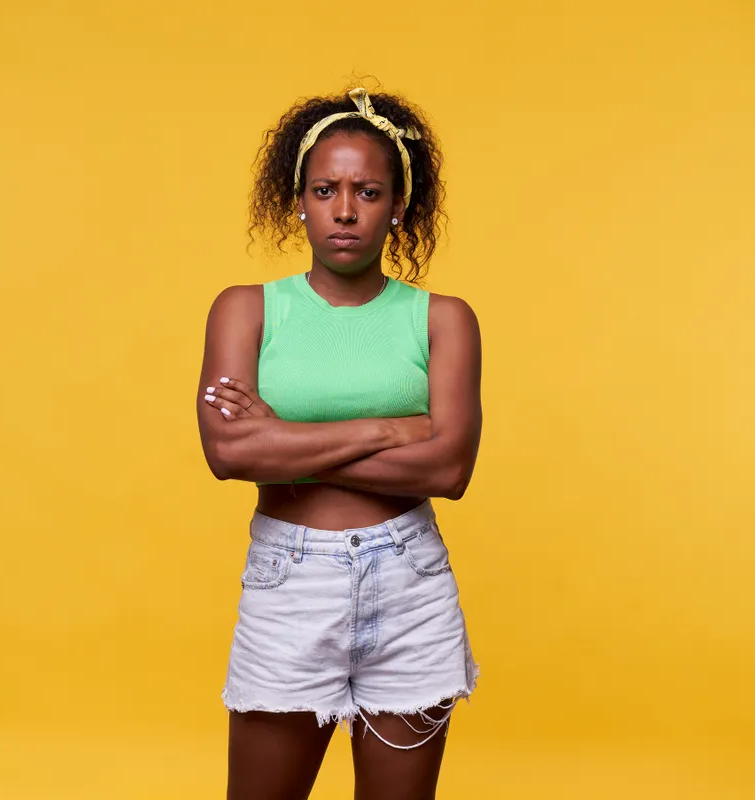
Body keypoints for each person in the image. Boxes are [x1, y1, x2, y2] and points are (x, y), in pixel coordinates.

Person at [195, 84, 482, 800]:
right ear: (298, 199)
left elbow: (449, 467)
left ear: (399, 207)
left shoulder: (444, 320)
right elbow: (230, 454)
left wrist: (283, 435)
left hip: (410, 584)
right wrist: (392, 427)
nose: (345, 210)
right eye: (325, 189)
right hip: (290, 586)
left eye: (368, 191)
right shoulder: (246, 310)